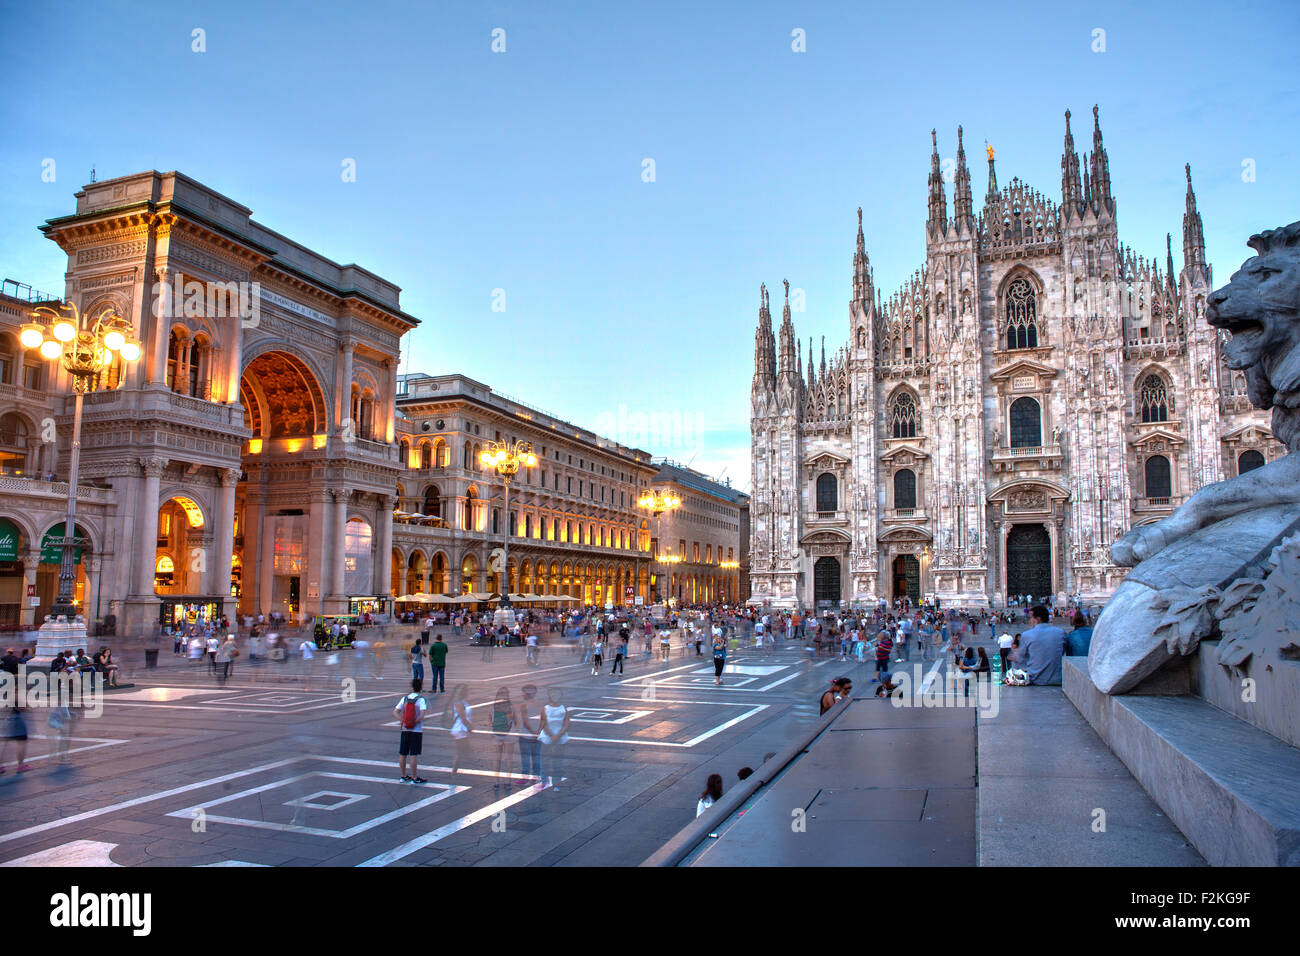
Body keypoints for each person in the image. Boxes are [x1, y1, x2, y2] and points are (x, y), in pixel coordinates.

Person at [1014, 605, 1067, 685]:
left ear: (1038, 619)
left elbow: (1020, 658)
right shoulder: (1061, 632)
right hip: (1058, 679)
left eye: (1031, 617)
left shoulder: (1027, 635)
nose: (1030, 620)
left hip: (1035, 680)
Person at [393, 677, 428, 784]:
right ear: (420, 687)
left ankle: (403, 776)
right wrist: (414, 722)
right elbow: (422, 715)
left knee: (403, 753)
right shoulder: (421, 700)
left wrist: (403, 721)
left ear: (412, 687)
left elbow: (395, 712)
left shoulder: (405, 699)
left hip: (405, 729)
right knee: (413, 754)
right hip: (416, 730)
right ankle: (414, 777)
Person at [538, 688, 570, 791]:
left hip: (558, 738)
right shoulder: (545, 708)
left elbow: (566, 722)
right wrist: (552, 735)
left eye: (557, 694)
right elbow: (543, 723)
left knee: (557, 761)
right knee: (545, 759)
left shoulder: (563, 708)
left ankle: (556, 782)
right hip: (548, 737)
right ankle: (544, 780)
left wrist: (558, 734)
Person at [490, 688, 516, 792]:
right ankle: (508, 782)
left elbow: (490, 719)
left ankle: (496, 782)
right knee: (509, 758)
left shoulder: (492, 706)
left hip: (497, 734)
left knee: (497, 758)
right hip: (508, 733)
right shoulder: (510, 706)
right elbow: (513, 719)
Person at [516, 684, 542, 787]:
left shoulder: (523, 705)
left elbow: (525, 722)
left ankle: (525, 777)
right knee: (536, 757)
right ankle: (536, 777)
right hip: (538, 735)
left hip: (525, 735)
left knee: (525, 757)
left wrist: (532, 732)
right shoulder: (540, 704)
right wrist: (538, 732)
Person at [447, 684, 473, 774]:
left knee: (464, 749)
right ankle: (454, 770)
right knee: (460, 751)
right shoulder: (459, 703)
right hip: (459, 730)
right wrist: (470, 726)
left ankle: (456, 769)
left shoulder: (463, 702)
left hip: (462, 730)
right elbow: (463, 717)